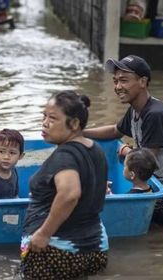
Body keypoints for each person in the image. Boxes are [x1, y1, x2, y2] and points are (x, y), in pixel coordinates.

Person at [83, 55, 163, 226]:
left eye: (124, 80)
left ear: (143, 82)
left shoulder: (154, 114)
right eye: (115, 81)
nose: (118, 87)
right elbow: (115, 131)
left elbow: (145, 162)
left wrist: (126, 151)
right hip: (157, 186)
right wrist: (80, 132)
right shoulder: (136, 109)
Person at [20, 91, 108, 279]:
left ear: (74, 124)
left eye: (52, 118)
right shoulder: (95, 149)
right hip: (96, 247)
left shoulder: (64, 156)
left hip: (56, 251)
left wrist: (44, 233)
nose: (44, 123)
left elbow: (70, 194)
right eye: (44, 116)